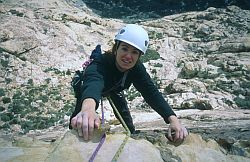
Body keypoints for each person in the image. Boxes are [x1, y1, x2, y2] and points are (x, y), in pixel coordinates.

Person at [70, 24, 188, 142]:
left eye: (134, 52)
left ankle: (131, 133)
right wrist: (88, 109)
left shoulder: (136, 69)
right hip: (90, 93)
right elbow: (93, 84)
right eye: (125, 49)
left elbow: (150, 92)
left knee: (124, 115)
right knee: (80, 114)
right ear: (116, 49)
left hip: (114, 88)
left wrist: (173, 120)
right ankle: (72, 134)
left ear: (139, 56)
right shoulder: (99, 64)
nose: (128, 56)